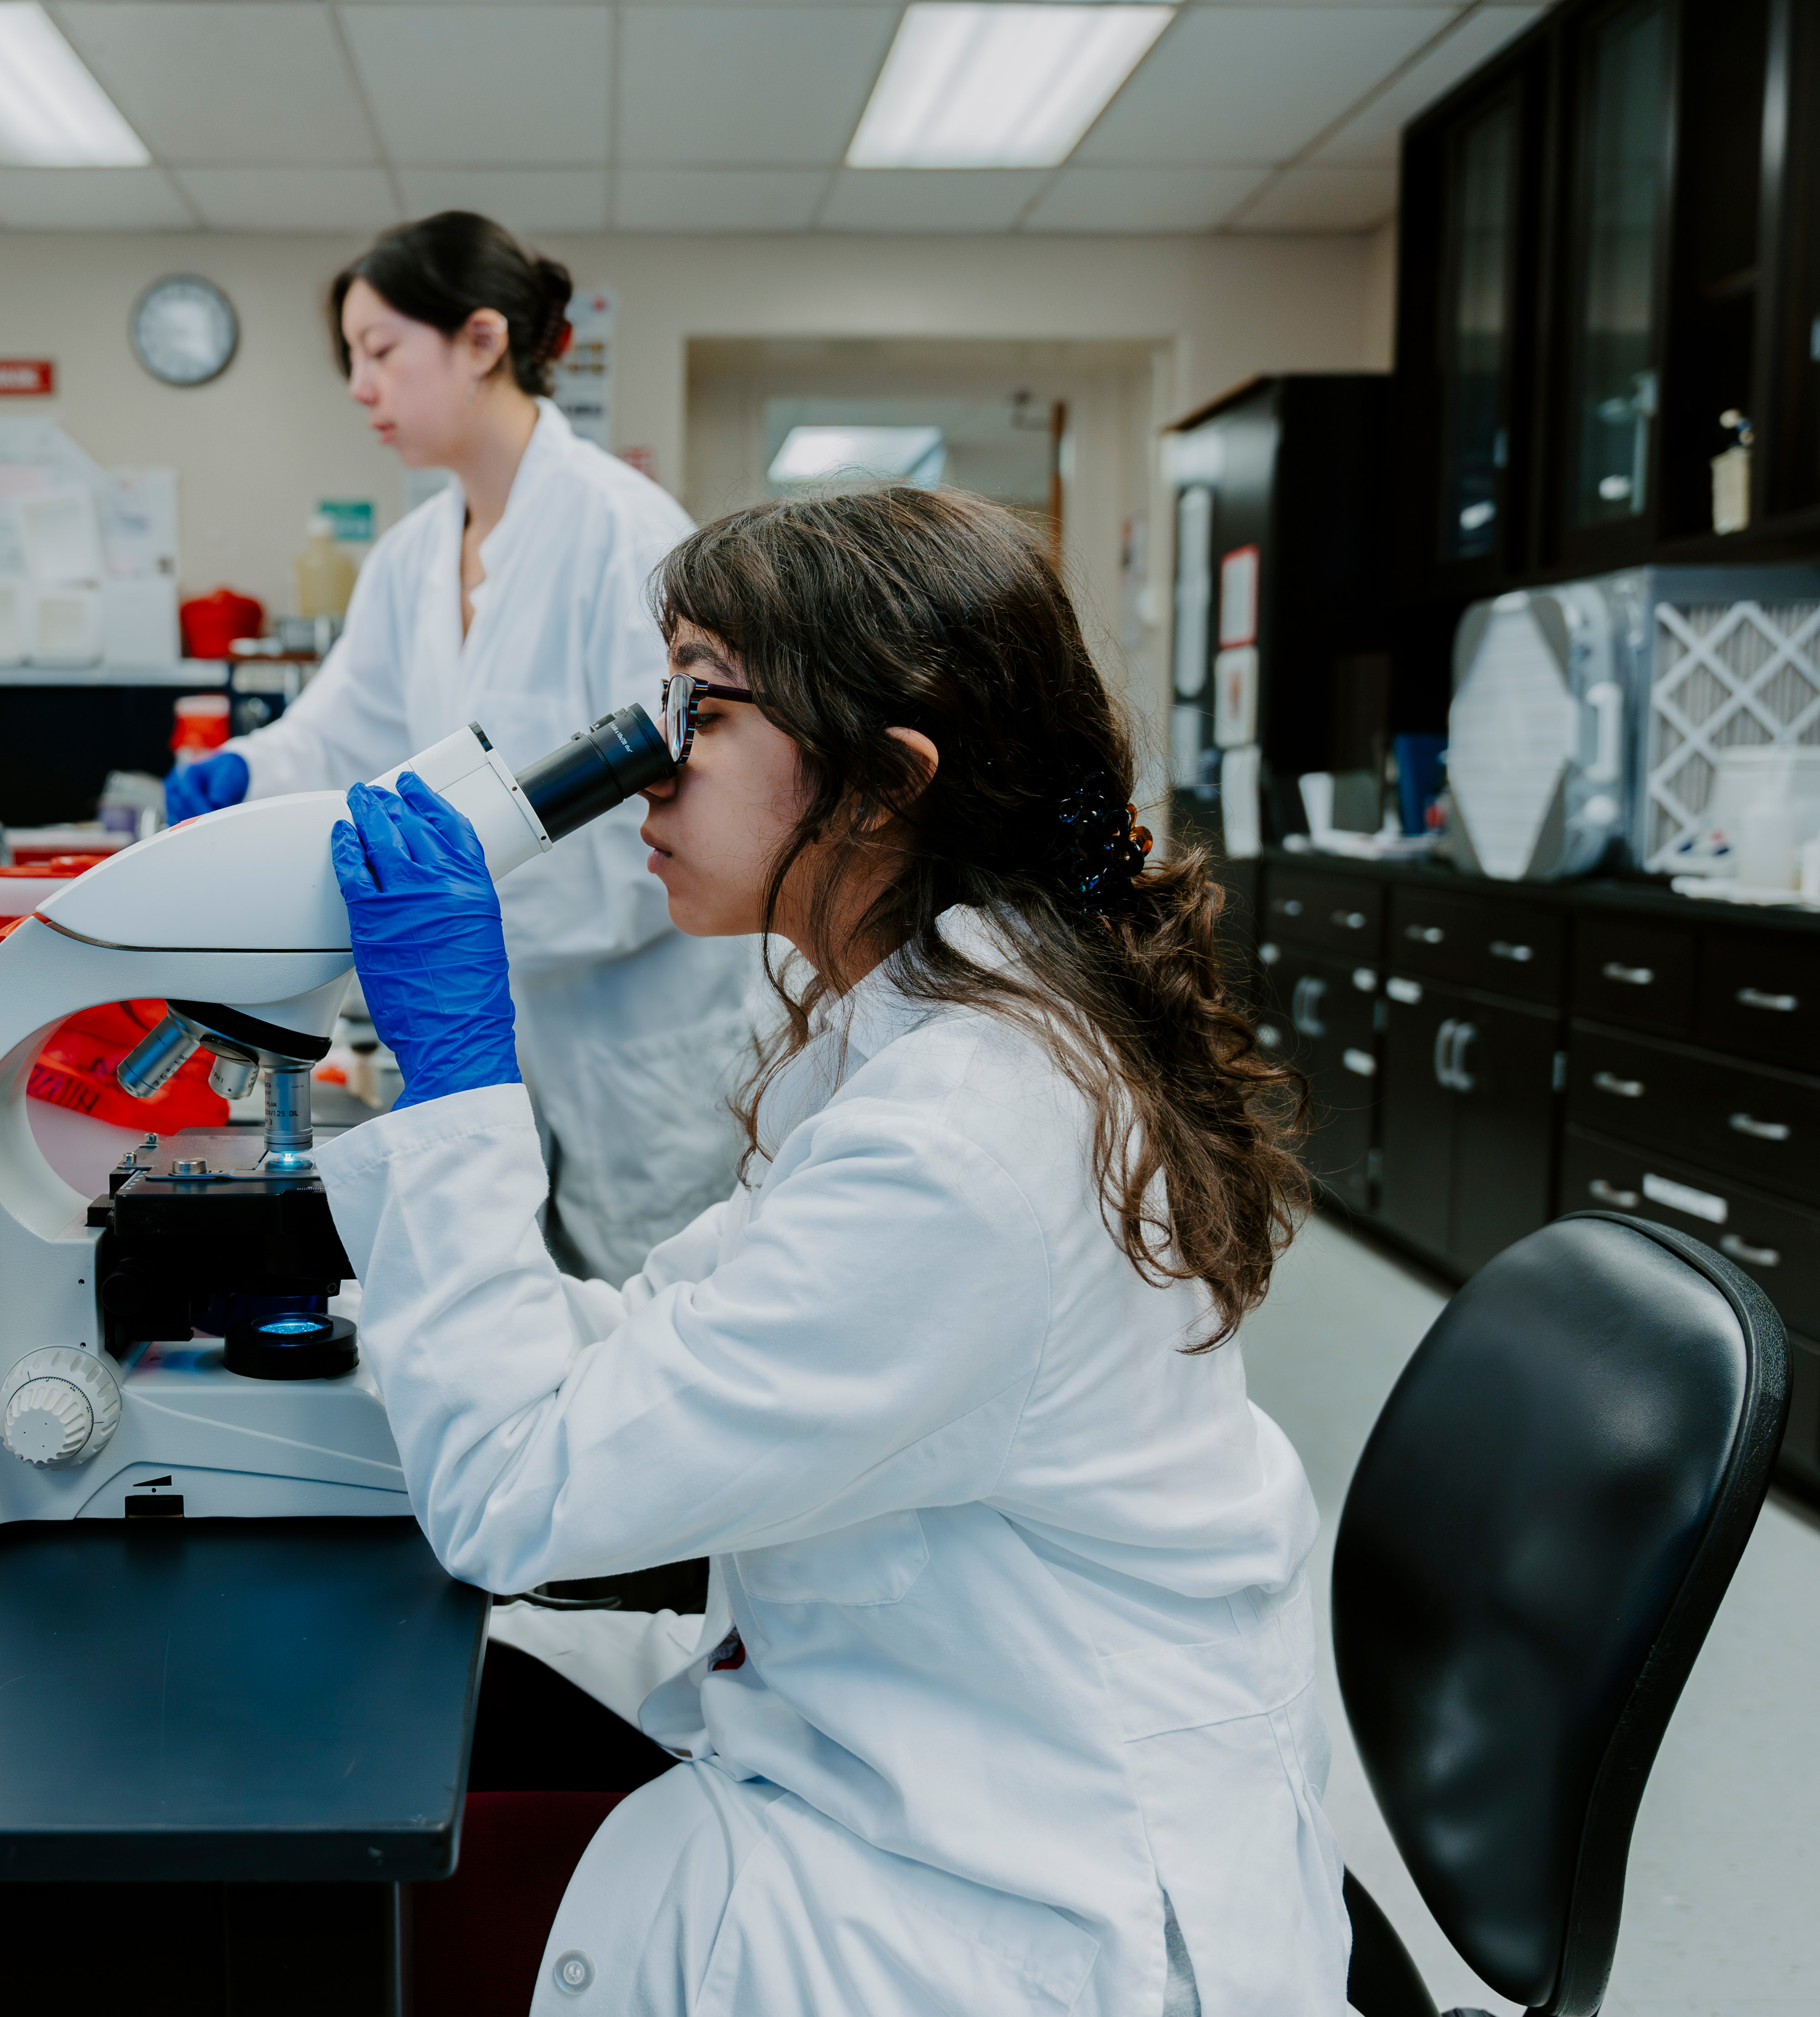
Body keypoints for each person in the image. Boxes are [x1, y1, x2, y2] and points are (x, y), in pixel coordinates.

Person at [317, 488, 1343, 2014]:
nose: (651, 758)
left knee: (344, 1920)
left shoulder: (964, 1144)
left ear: (882, 786)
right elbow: (659, 1333)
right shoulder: (925, 1025)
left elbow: (510, 1498)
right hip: (934, 1734)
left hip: (1010, 1895)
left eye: (704, 704)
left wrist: (462, 1079)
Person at [166, 211, 758, 1283]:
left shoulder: (623, 534)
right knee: (497, 1301)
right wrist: (245, 776)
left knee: (648, 1315)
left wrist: (454, 907)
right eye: (351, 357)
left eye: (380, 350)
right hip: (502, 1022)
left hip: (638, 1031)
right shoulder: (408, 558)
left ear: (482, 341)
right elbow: (344, 729)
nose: (358, 386)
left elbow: (691, 785)